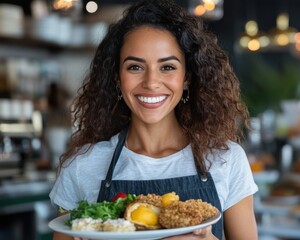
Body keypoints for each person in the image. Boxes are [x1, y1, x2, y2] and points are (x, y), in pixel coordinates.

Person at [49, 0, 259, 239]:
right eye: (135, 67)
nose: (150, 82)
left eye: (167, 67)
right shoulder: (82, 167)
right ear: (117, 78)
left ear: (187, 78)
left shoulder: (226, 160)